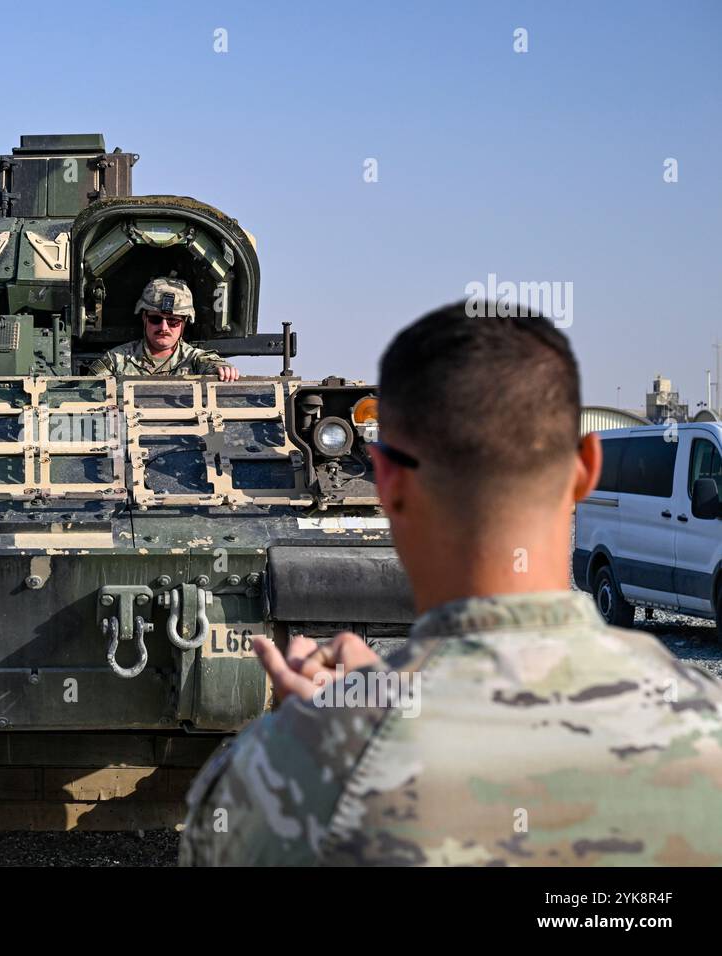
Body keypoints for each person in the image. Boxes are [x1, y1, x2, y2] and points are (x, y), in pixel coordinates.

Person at [180, 301, 722, 866]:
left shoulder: (285, 777)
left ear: (385, 478)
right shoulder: (708, 726)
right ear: (585, 468)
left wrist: (340, 731)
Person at [87, 276, 239, 380]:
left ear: (184, 323)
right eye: (155, 319)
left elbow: (213, 364)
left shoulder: (194, 360)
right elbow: (84, 396)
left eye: (173, 321)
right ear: (144, 318)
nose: (163, 327)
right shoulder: (116, 360)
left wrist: (223, 369)